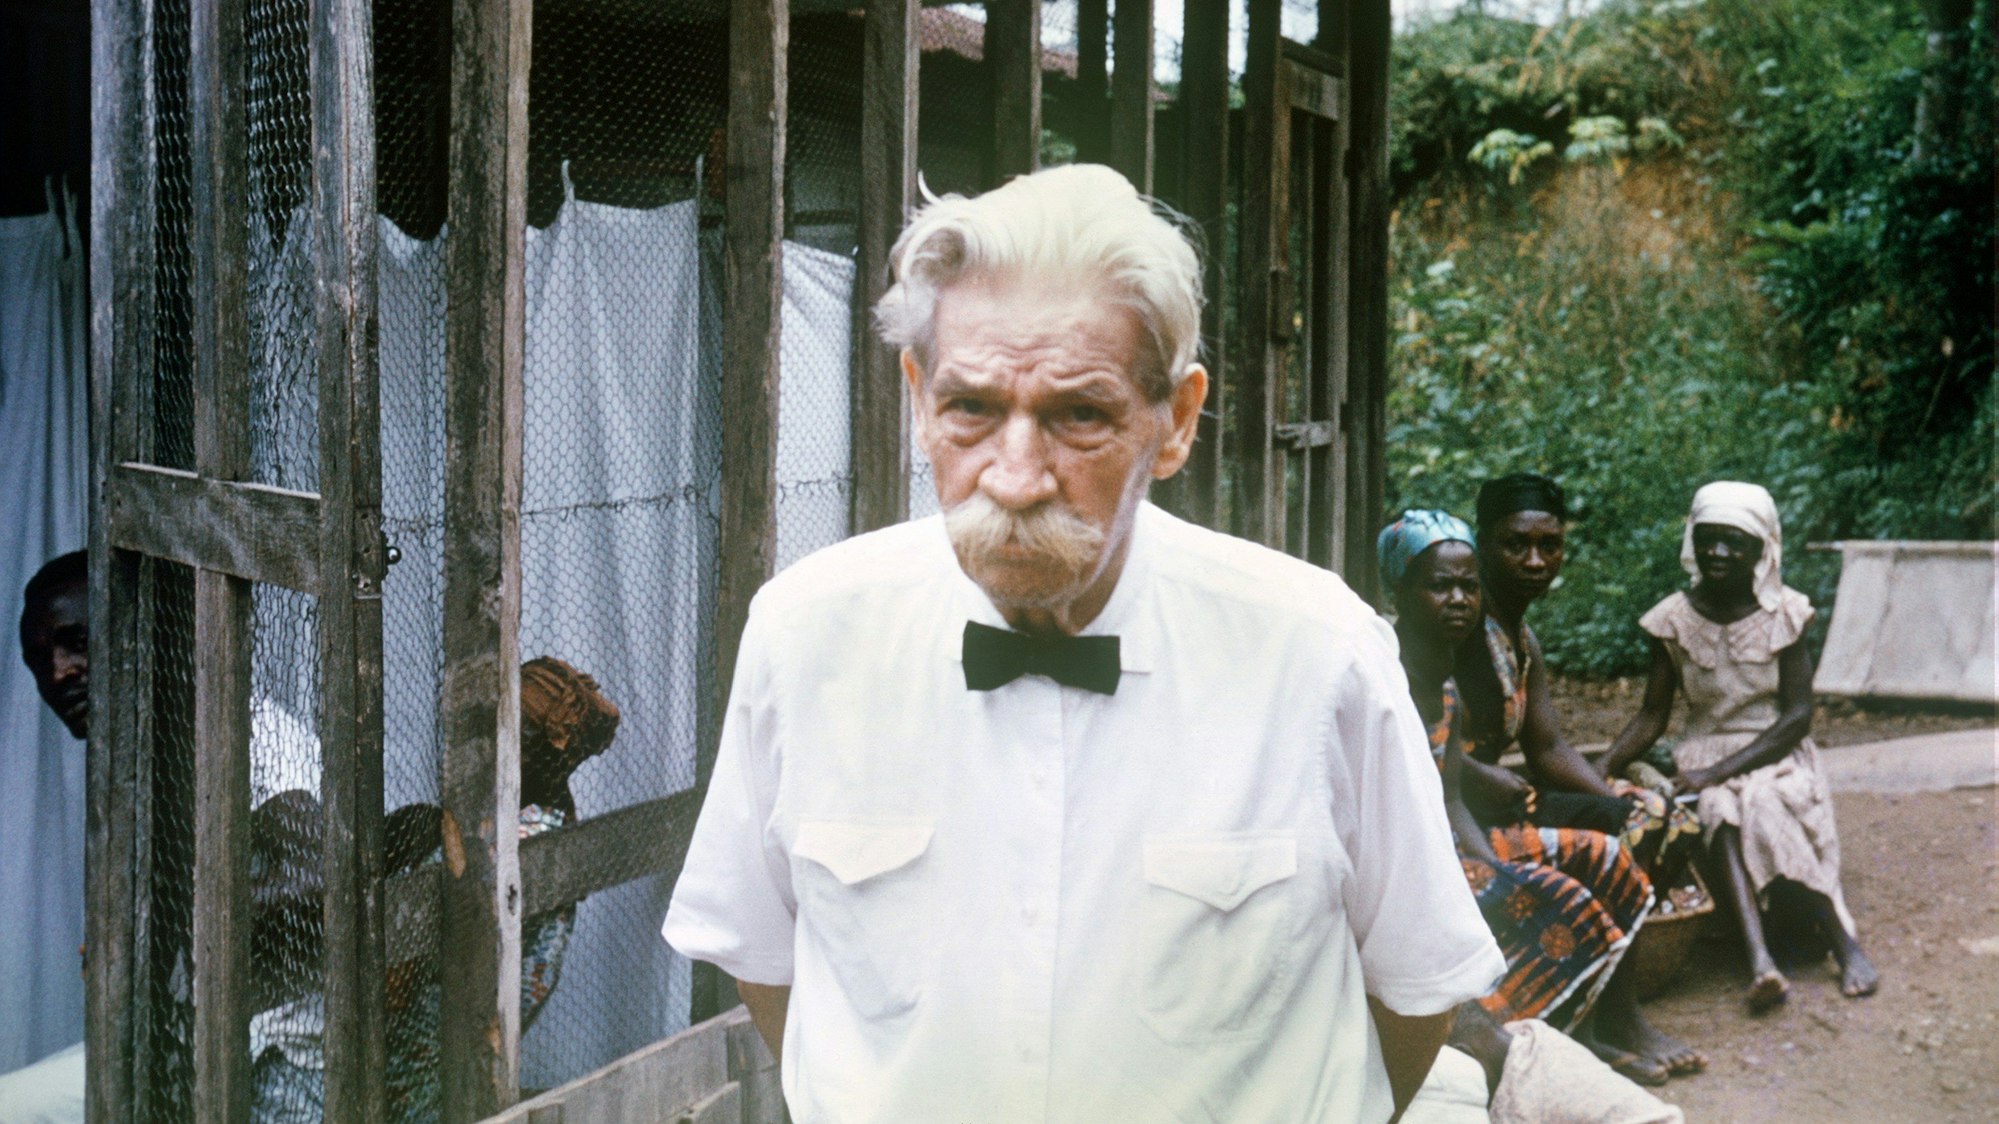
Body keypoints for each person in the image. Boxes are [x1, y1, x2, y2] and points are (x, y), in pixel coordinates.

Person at [662, 164, 1505, 1123]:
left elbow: (1415, 989)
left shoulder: (1318, 654)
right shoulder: (805, 633)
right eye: (972, 407)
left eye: (1079, 415)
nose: (1016, 477)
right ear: (916, 394)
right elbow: (768, 963)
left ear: (1175, 421)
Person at [1380, 511, 1700, 1087]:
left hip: (1459, 845)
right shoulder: (1383, 678)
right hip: (1403, 867)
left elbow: (1452, 798)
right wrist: (1477, 875)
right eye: (1438, 585)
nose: (1458, 599)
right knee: (1559, 896)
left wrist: (1492, 865)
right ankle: (1539, 1044)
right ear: (1399, 589)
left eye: (1468, 586)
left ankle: (1597, 1030)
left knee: (1608, 858)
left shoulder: (1447, 682)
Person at [1597, 482, 1878, 1012]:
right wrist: (1602, 766)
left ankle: (1845, 944)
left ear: (1761, 549)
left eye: (1734, 542)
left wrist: (1723, 769)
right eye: (1708, 540)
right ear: (1692, 541)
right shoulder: (1671, 621)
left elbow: (1796, 717)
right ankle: (1760, 961)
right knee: (1718, 808)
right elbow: (1653, 713)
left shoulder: (1786, 614)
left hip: (1774, 752)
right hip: (1703, 755)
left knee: (1762, 801)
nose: (1718, 553)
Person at [1454, 474, 1699, 882]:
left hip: (1502, 802)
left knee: (1657, 816)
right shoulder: (1460, 628)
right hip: (1460, 814)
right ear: (1483, 544)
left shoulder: (1522, 640)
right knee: (1633, 833)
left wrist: (1614, 802)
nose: (1535, 561)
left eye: (1549, 546)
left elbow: (1547, 749)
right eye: (1516, 545)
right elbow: (1416, 742)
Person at [0, 552, 90, 1123]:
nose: (58, 673)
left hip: (277, 1050)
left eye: (76, 642)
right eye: (40, 660)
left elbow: (317, 878)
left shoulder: (246, 732)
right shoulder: (131, 766)